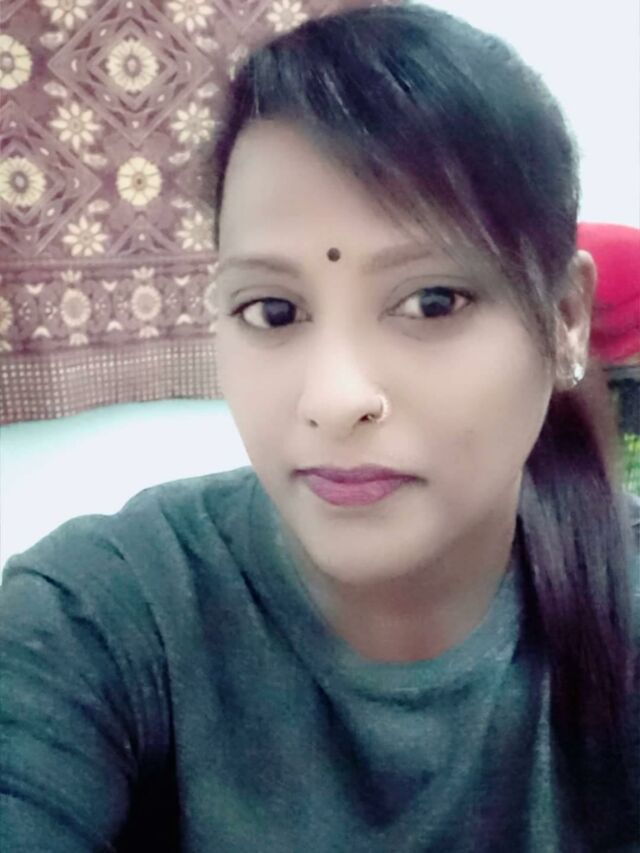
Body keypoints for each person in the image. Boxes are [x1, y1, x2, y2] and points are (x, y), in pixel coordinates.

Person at [1, 4, 638, 850]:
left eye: (432, 301)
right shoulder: (99, 615)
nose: (335, 399)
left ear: (564, 319)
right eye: (273, 309)